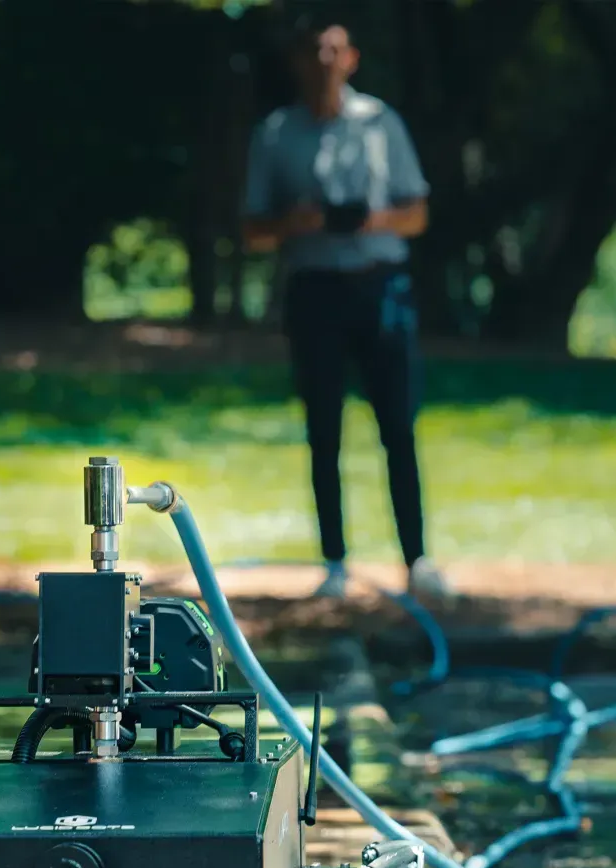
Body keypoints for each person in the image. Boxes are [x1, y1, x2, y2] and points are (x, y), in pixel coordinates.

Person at [242, 18, 448, 599]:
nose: (325, 62)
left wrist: (370, 219)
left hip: (381, 287)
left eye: (335, 50)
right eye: (315, 51)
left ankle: (417, 558)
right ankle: (334, 562)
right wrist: (298, 222)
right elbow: (252, 230)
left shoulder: (381, 123)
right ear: (298, 61)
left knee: (398, 426)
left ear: (352, 58)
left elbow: (418, 214)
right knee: (324, 430)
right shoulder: (276, 134)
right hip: (315, 292)